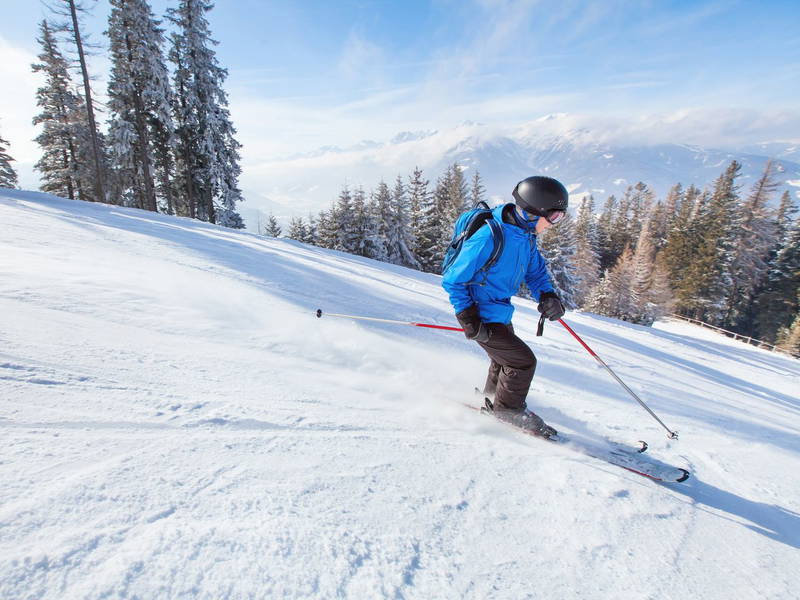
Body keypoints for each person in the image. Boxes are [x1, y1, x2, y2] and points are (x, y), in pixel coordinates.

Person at [442, 175, 568, 437]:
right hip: (481, 311)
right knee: (522, 362)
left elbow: (535, 272)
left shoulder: (525, 235)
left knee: (504, 361)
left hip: (499, 309)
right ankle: (508, 411)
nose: (554, 224)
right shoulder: (490, 236)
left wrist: (547, 295)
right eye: (554, 217)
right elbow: (453, 279)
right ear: (534, 211)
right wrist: (468, 317)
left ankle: (491, 398)